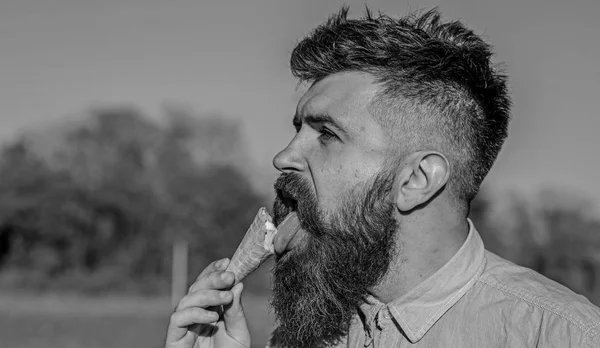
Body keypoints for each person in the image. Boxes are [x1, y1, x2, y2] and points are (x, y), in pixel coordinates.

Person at [164, 7, 600, 348]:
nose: (283, 157)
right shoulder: (304, 332)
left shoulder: (564, 336)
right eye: (297, 129)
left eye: (327, 134)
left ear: (417, 180)